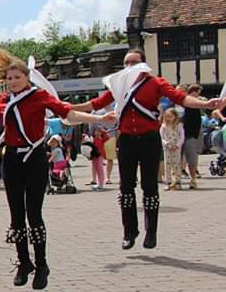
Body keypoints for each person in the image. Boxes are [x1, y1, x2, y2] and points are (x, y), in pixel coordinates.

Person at [0, 50, 115, 290]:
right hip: (12, 160)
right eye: (8, 78)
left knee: (33, 214)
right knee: (16, 215)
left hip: (35, 159)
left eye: (16, 77)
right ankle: (24, 262)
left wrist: (99, 119)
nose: (12, 82)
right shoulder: (4, 102)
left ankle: (41, 265)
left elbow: (67, 113)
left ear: (26, 78)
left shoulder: (39, 97)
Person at [71, 50, 221, 249]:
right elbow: (96, 103)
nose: (130, 66)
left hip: (149, 139)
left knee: (149, 186)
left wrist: (205, 103)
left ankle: (151, 232)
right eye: (126, 62)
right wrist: (68, 107)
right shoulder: (119, 85)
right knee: (125, 188)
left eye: (134, 62)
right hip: (126, 141)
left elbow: (180, 98)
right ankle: (129, 231)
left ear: (143, 64)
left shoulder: (155, 83)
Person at [182, 84, 204, 188]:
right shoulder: (188, 103)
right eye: (198, 92)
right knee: (190, 157)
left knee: (192, 157)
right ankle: (188, 178)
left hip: (190, 133)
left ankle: (192, 179)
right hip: (187, 133)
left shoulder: (193, 103)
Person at [161, 108, 184, 190]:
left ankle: (178, 182)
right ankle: (168, 182)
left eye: (170, 116)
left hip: (176, 148)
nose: (169, 118)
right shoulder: (163, 126)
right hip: (167, 148)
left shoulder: (179, 125)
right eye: (167, 116)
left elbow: (182, 136)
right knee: (167, 165)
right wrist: (167, 144)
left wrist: (177, 145)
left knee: (176, 164)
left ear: (175, 116)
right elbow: (161, 137)